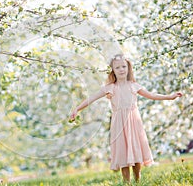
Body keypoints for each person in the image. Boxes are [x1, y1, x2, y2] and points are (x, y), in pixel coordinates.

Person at [70, 54, 182, 183]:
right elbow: (92, 98)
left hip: (134, 122)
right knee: (123, 151)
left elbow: (151, 95)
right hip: (119, 123)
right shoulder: (110, 88)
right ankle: (126, 182)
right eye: (117, 67)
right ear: (113, 70)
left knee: (135, 149)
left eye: (124, 66)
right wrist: (77, 109)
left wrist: (169, 96)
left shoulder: (133, 85)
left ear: (128, 68)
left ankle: (138, 180)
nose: (121, 69)